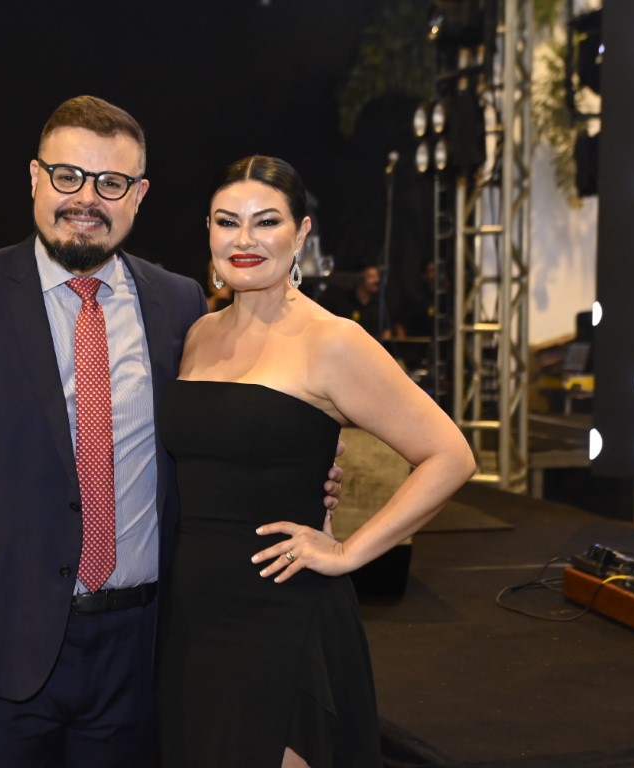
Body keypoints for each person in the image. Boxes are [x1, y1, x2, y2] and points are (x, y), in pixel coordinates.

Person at [0, 96, 344, 767]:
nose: (86, 199)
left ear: (139, 195)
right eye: (68, 176)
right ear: (35, 178)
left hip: (145, 648)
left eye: (111, 183)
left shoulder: (179, 302)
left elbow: (215, 434)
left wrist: (301, 476)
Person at [157, 156, 475, 767]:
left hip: (283, 611)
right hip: (190, 611)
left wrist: (349, 551)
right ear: (208, 231)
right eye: (227, 221)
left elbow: (449, 455)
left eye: (266, 221)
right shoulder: (198, 334)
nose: (245, 239)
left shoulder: (333, 341)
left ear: (301, 232)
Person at [328, 263, 385, 339]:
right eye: (371, 277)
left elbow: (386, 331)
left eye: (377, 277)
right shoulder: (345, 302)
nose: (377, 280)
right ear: (359, 278)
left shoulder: (379, 304)